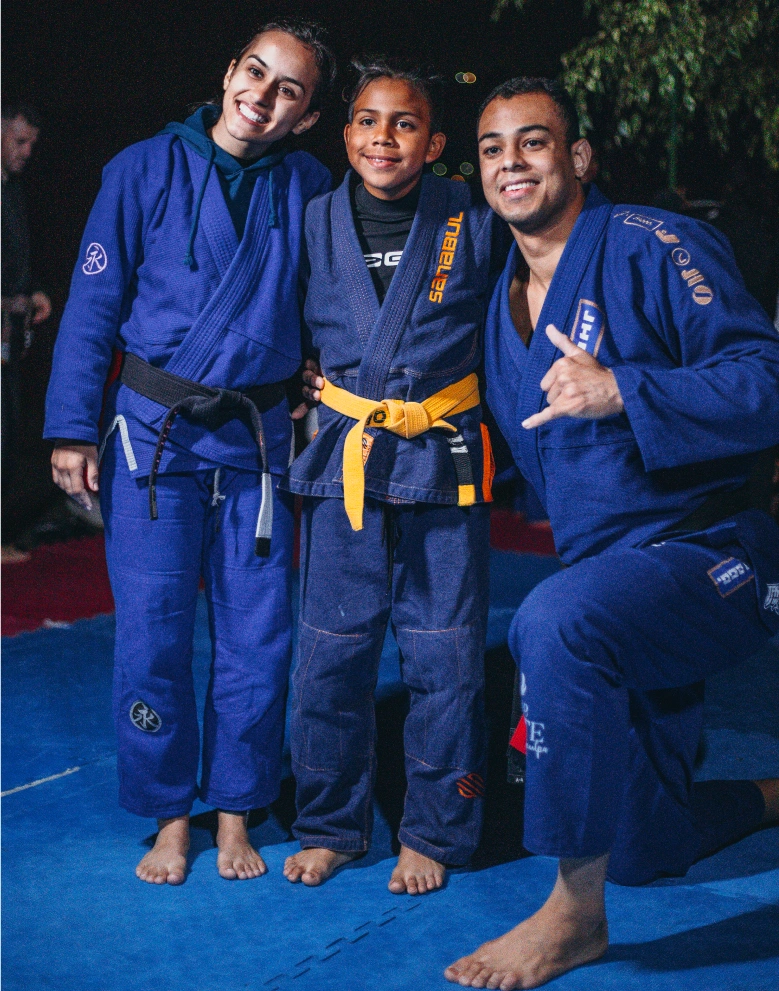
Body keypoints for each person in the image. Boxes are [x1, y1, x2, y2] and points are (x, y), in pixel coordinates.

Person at [445, 78, 779, 989]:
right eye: (491, 148)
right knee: (642, 844)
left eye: (534, 142)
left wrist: (626, 387)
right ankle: (764, 795)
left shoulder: (650, 243)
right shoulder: (498, 304)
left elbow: (765, 377)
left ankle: (571, 917)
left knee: (549, 624)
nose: (510, 161)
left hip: (714, 556)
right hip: (610, 585)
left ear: (578, 157)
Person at [44, 20, 335, 885]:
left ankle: (236, 808)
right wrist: (67, 428)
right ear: (228, 72)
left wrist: (322, 378)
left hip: (254, 443)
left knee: (259, 635)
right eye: (256, 71)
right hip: (153, 437)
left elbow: (325, 304)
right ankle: (171, 814)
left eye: (289, 89)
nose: (263, 94)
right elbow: (92, 306)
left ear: (308, 116)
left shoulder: (310, 187)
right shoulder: (140, 169)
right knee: (152, 633)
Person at [281, 60, 504, 894]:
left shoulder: (473, 223)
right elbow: (280, 329)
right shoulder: (310, 223)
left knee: (444, 655)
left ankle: (434, 830)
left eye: (404, 123)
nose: (384, 137)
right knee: (330, 656)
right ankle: (332, 823)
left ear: (435, 142)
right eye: (368, 121)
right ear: (345, 136)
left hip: (441, 456)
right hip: (344, 455)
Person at [2, 102, 52, 563]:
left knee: (8, 431)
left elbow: (16, 264)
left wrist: (31, 293)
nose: (27, 151)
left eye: (32, 143)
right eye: (19, 141)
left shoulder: (12, 192)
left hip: (7, 342)